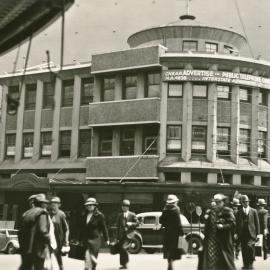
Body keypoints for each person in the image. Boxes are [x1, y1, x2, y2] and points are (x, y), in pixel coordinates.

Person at [202, 194, 236, 270]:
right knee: (211, 261)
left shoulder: (227, 211)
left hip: (223, 240)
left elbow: (233, 224)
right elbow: (207, 225)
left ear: (223, 202)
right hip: (211, 241)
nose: (217, 204)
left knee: (225, 260)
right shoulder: (210, 212)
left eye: (219, 202)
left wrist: (223, 226)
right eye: (216, 202)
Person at [18, 193, 50, 270]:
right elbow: (43, 230)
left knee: (25, 267)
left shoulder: (26, 213)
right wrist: (48, 240)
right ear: (42, 203)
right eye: (45, 203)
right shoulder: (42, 213)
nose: (46, 205)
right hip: (37, 249)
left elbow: (20, 232)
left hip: (25, 249)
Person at [81, 197, 109, 270]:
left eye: (91, 205)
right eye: (87, 205)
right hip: (86, 239)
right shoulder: (84, 214)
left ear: (94, 205)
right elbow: (82, 228)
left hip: (95, 240)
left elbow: (104, 228)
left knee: (93, 257)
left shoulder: (100, 215)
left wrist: (107, 239)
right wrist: (78, 238)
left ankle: (93, 268)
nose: (89, 207)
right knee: (86, 256)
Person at [236, 195, 260, 270]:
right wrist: (236, 233)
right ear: (242, 203)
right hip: (242, 234)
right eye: (244, 202)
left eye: (247, 202)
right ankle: (245, 264)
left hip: (251, 234)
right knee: (244, 249)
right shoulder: (239, 212)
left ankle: (251, 263)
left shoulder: (254, 211)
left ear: (248, 202)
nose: (246, 203)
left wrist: (258, 234)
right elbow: (237, 223)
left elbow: (257, 223)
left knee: (250, 248)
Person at [160, 194, 184, 270]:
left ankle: (169, 262)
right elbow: (178, 223)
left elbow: (161, 221)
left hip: (167, 233)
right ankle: (171, 264)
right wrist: (181, 232)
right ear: (174, 202)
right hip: (175, 233)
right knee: (175, 250)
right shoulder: (176, 209)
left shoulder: (165, 209)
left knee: (168, 249)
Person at [116, 199, 139, 269]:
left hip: (129, 235)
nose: (123, 207)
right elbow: (118, 226)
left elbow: (138, 224)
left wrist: (131, 223)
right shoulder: (119, 215)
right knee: (121, 249)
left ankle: (126, 262)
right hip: (121, 235)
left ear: (128, 207)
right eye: (122, 206)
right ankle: (123, 264)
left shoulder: (132, 214)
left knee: (124, 248)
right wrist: (117, 237)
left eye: (125, 206)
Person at [49, 196, 70, 270]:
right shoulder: (47, 214)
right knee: (49, 259)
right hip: (49, 240)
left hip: (59, 240)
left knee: (58, 258)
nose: (53, 204)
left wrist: (66, 241)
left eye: (56, 203)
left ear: (59, 205)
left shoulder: (61, 214)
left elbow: (66, 229)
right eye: (52, 202)